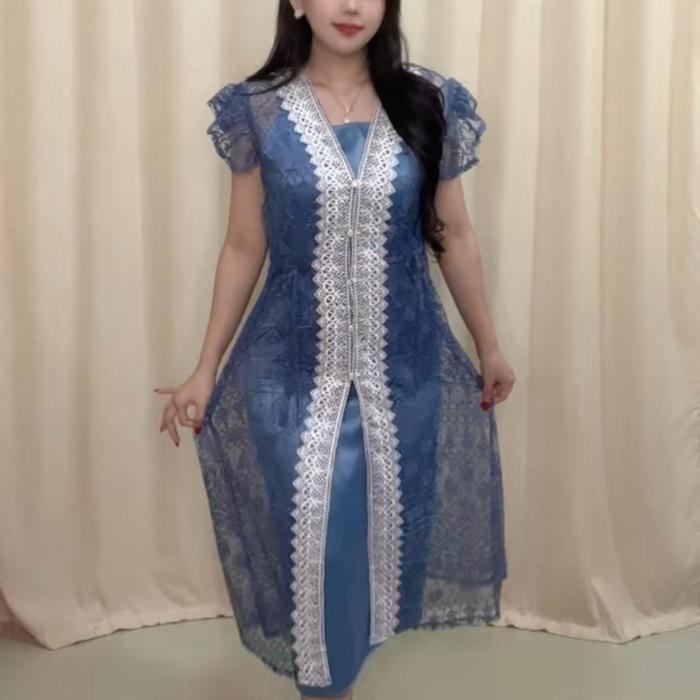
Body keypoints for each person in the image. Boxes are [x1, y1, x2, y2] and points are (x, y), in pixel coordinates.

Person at [155, 1, 516, 697]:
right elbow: (244, 245)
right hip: (289, 377)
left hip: (403, 374)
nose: (351, 5)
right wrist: (205, 368)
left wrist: (490, 346)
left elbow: (455, 233)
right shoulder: (258, 111)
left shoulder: (429, 102)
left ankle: (336, 683)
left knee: (368, 558)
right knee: (313, 554)